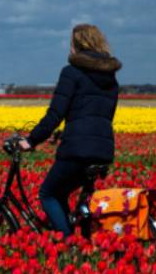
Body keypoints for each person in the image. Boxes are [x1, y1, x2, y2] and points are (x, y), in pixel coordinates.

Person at [18, 24, 122, 237]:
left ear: (78, 45)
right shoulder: (111, 79)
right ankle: (76, 235)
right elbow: (99, 117)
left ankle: (67, 243)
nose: (69, 48)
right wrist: (64, 134)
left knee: (47, 193)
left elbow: (55, 113)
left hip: (78, 150)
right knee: (61, 193)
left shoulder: (71, 73)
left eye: (71, 43)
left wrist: (31, 140)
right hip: (103, 149)